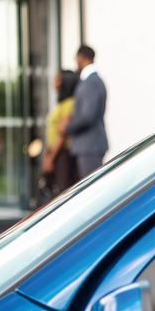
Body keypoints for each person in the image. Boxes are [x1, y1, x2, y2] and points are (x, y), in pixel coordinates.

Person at [63, 45, 107, 179]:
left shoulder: (90, 82)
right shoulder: (90, 81)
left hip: (90, 146)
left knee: (93, 188)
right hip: (88, 146)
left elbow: (87, 116)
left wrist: (67, 127)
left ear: (81, 58)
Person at [41, 69, 79, 197]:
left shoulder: (70, 104)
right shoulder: (62, 103)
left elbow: (62, 134)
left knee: (62, 192)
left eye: (57, 79)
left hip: (62, 154)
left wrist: (50, 158)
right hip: (56, 153)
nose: (54, 82)